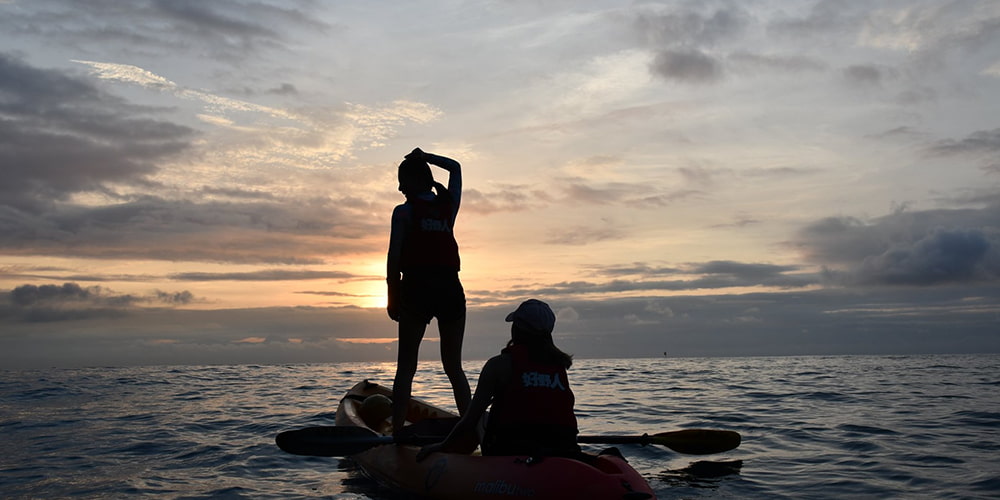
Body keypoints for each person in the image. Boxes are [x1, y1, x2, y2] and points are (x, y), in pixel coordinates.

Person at [416, 299, 580, 460]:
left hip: (510, 451)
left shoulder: (498, 365)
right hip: (563, 448)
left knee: (481, 415)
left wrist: (441, 446)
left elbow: (470, 421)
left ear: (517, 329)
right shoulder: (559, 366)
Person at [387, 147, 471, 434]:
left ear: (415, 181)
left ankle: (397, 431)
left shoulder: (403, 212)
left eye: (402, 180)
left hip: (417, 290)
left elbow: (393, 259)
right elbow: (456, 168)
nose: (399, 187)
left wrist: (392, 298)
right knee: (454, 368)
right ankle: (473, 430)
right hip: (449, 290)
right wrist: (427, 157)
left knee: (406, 367)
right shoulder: (449, 206)